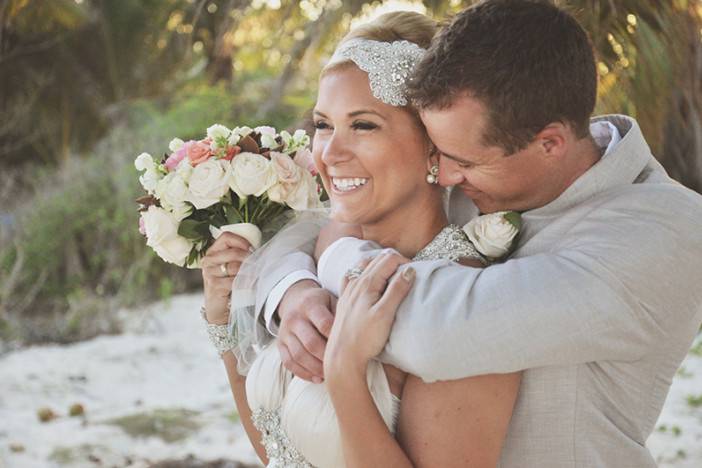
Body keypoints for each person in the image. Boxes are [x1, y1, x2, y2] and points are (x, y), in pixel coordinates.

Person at [253, 1, 702, 467]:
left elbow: (436, 332)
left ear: (550, 144)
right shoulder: (485, 157)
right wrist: (294, 290)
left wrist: (335, 255)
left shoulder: (666, 231)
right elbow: (310, 226)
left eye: (463, 163)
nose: (443, 175)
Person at [201, 10, 522, 467]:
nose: (330, 152)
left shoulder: (462, 301)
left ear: (434, 145)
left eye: (364, 125)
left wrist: (346, 373)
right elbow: (280, 448)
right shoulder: (325, 260)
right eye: (323, 125)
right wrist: (222, 322)